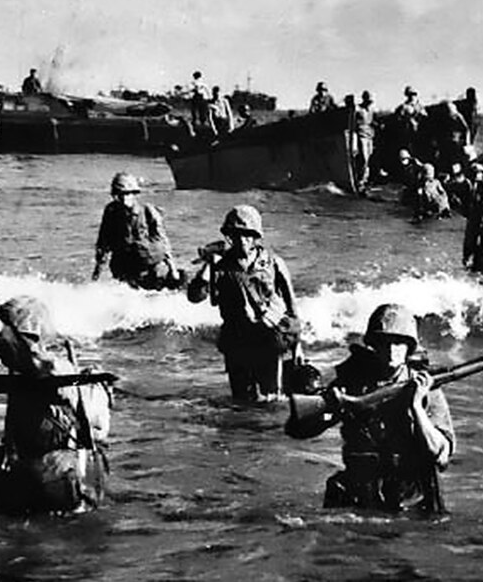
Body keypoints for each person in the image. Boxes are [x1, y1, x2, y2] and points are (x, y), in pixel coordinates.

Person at [0, 295, 111, 514]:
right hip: (38, 467)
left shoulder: (57, 368)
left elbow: (35, 362)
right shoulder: (23, 372)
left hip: (64, 476)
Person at [314, 304, 454, 513]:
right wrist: (333, 407)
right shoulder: (353, 383)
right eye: (384, 342)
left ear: (409, 347)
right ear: (374, 345)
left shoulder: (426, 388)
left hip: (409, 501)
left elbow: (439, 453)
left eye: (398, 342)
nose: (391, 349)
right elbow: (302, 428)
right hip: (358, 496)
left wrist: (415, 406)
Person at [187, 205, 300, 402]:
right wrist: (208, 266)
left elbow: (292, 309)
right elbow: (195, 297)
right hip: (237, 339)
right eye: (235, 235)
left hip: (268, 337)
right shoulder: (221, 266)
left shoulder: (273, 263)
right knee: (241, 400)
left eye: (247, 235)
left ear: (256, 237)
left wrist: (298, 346)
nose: (241, 240)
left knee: (271, 398)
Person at [92, 172, 183, 290]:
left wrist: (172, 268)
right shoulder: (111, 212)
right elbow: (103, 242)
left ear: (134, 194)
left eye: (127, 194)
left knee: (173, 283)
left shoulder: (147, 211)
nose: (124, 199)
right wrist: (96, 273)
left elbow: (162, 240)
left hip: (150, 262)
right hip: (125, 264)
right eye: (120, 195)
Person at [352, 91, 376, 190]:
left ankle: (365, 180)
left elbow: (373, 121)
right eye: (368, 100)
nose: (370, 103)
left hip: (369, 136)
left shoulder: (371, 110)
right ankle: (360, 181)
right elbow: (353, 125)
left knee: (369, 158)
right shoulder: (358, 109)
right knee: (364, 158)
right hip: (361, 135)